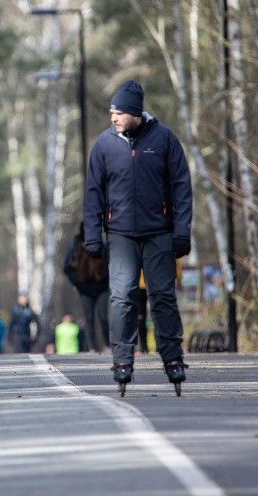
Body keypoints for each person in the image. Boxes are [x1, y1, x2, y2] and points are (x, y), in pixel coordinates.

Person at [82, 79, 193, 388]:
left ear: (133, 112)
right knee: (122, 297)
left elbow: (182, 188)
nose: (113, 118)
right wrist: (93, 236)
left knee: (162, 297)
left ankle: (172, 358)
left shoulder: (164, 139)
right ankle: (122, 360)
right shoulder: (104, 145)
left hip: (159, 232)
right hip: (120, 235)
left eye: (118, 112)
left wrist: (182, 232)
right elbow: (93, 193)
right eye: (111, 112)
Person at [63, 221, 110, 353]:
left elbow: (109, 263)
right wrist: (77, 283)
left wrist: (105, 278)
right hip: (84, 288)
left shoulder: (101, 245)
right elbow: (67, 268)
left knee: (103, 317)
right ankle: (92, 347)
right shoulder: (76, 246)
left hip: (101, 287)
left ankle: (107, 345)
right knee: (89, 318)